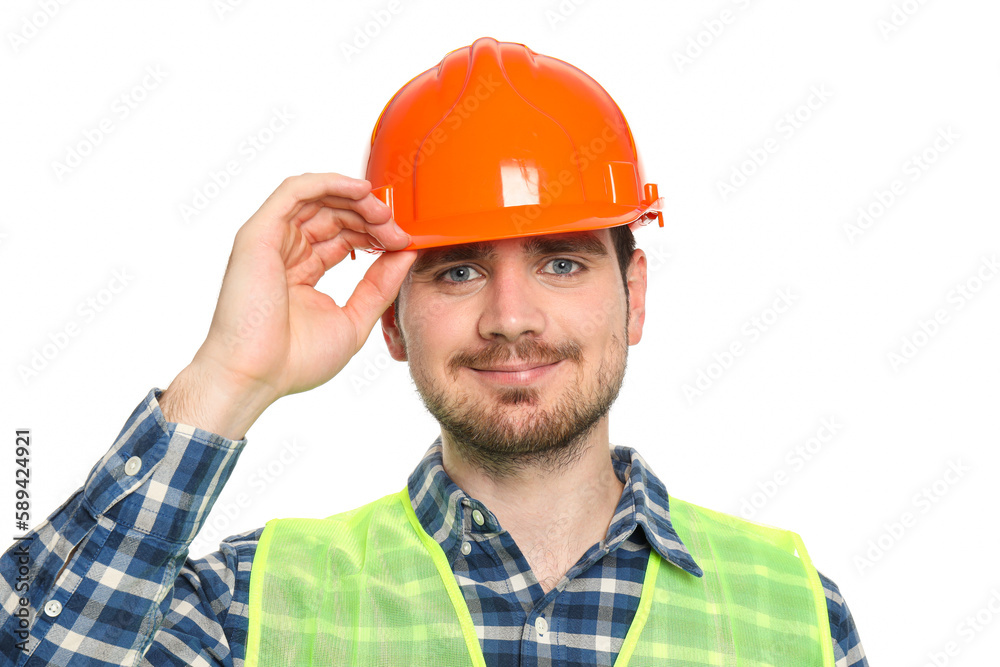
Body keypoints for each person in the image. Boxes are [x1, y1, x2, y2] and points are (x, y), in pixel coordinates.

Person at [0, 36, 867, 666]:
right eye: (456, 272)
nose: (511, 317)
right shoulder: (252, 607)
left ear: (633, 296)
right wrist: (228, 380)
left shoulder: (795, 615)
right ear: (390, 319)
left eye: (561, 261)